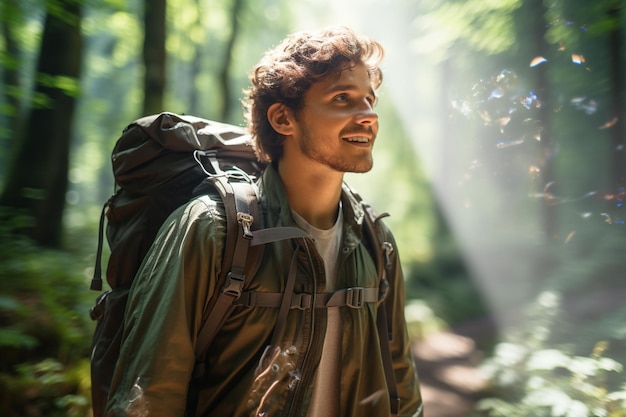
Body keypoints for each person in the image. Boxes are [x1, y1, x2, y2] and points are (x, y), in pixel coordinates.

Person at [105, 26, 423, 417]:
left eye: (369, 100)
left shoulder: (376, 240)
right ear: (283, 119)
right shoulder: (212, 229)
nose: (369, 116)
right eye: (343, 98)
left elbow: (401, 388)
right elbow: (148, 395)